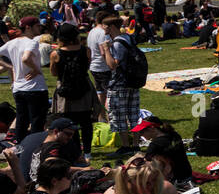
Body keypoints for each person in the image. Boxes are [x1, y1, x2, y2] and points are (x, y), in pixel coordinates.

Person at [48, 23, 97, 153]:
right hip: (83, 87)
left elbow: (54, 73)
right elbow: (86, 67)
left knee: (68, 122)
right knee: (86, 121)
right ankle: (87, 151)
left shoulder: (55, 53)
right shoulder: (86, 50)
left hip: (65, 88)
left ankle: (74, 149)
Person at [0, 15, 49, 139]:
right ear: (28, 27)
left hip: (19, 88)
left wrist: (10, 66)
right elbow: (26, 58)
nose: (40, 28)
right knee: (37, 122)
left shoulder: (12, 43)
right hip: (35, 88)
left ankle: (20, 148)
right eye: (37, 26)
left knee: (22, 121)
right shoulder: (31, 43)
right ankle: (34, 149)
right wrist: (36, 69)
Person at [101, 15, 140, 158]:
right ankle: (135, 145)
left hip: (119, 84)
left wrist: (105, 50)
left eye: (104, 26)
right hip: (132, 82)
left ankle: (125, 146)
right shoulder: (128, 38)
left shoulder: (117, 43)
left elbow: (112, 65)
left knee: (119, 115)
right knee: (133, 114)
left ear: (111, 27)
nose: (102, 29)